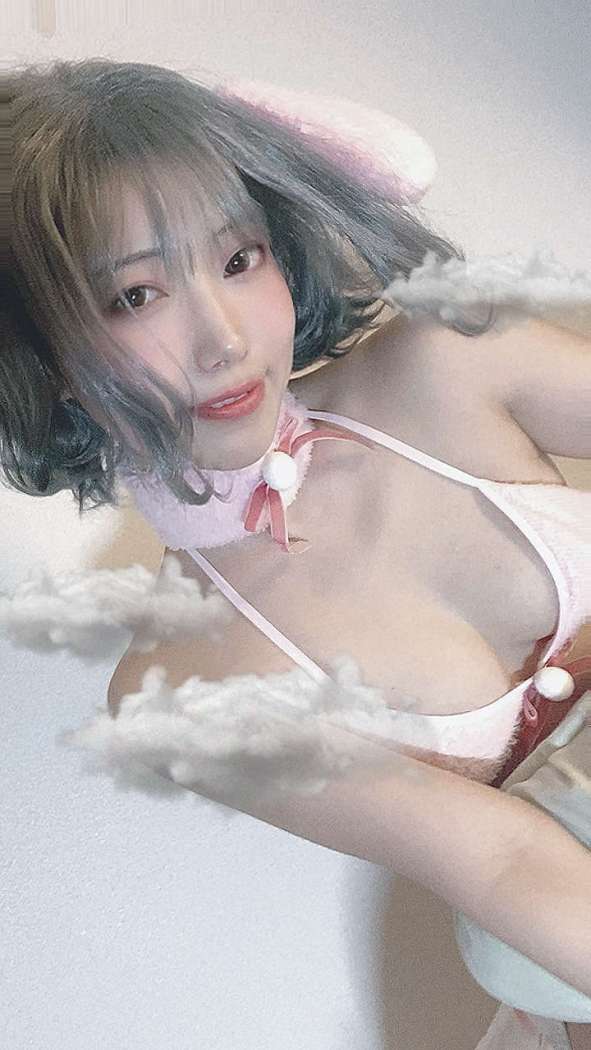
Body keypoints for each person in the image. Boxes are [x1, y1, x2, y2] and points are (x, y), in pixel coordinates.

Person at [2, 56, 591, 1049]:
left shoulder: (450, 363)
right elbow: (500, 863)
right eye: (136, 296)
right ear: (39, 352)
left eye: (240, 259)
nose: (223, 339)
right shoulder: (182, 692)